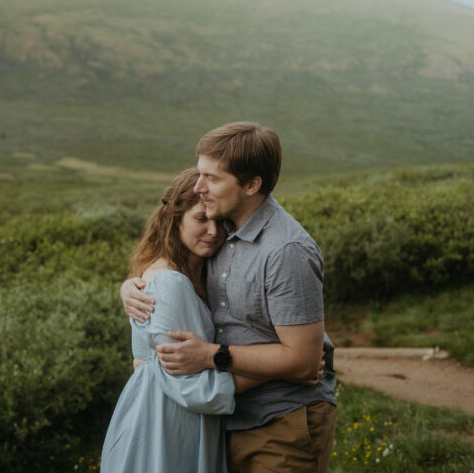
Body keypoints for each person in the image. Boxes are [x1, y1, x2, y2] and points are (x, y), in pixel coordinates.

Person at [121, 122, 337, 473]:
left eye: (213, 178)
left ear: (252, 185)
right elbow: (176, 276)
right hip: (229, 421)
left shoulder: (285, 251)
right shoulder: (223, 234)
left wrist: (210, 356)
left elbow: (303, 362)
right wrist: (134, 286)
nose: (199, 186)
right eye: (200, 174)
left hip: (283, 420)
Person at [102, 168, 265, 473]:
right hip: (166, 425)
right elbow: (191, 387)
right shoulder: (169, 282)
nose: (214, 232)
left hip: (173, 416)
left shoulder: (200, 272)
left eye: (220, 222)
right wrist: (280, 369)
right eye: (201, 219)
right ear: (174, 218)